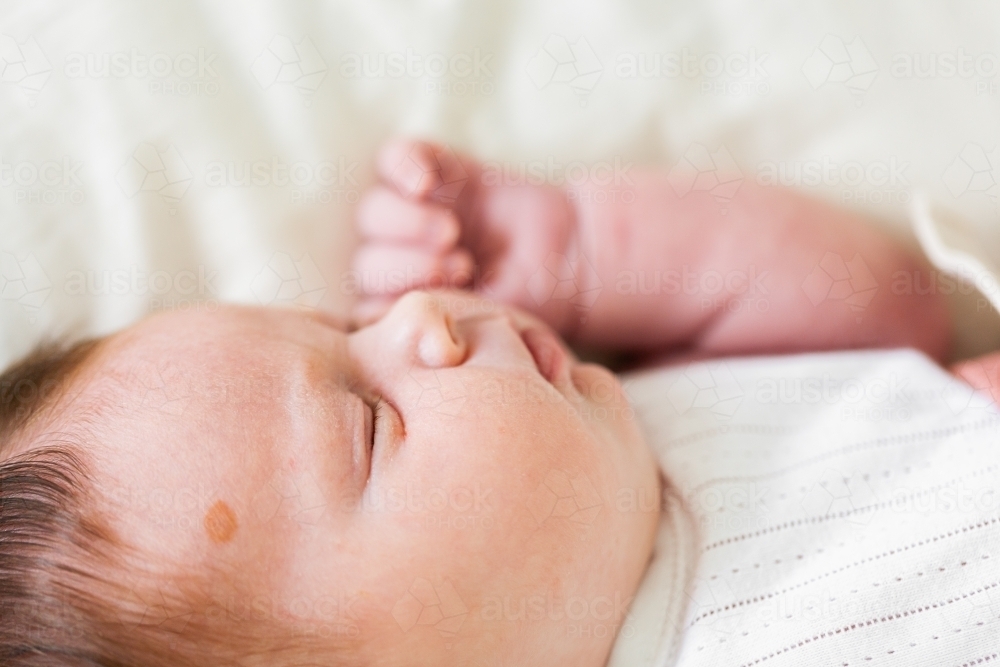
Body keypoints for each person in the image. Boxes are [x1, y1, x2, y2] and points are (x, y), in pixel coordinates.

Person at [2, 139, 993, 667]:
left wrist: (576, 254)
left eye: (344, 328)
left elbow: (887, 308)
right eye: (369, 418)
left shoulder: (639, 432)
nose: (417, 316)